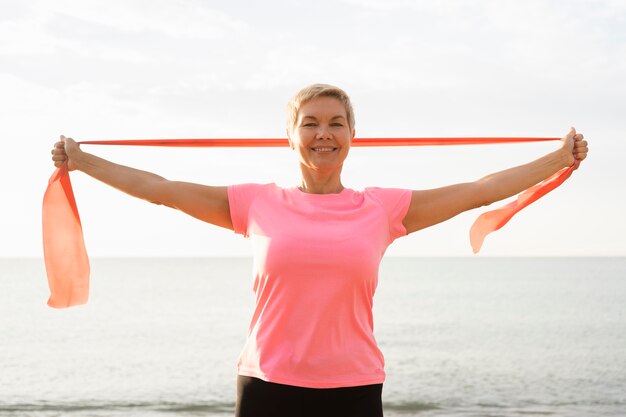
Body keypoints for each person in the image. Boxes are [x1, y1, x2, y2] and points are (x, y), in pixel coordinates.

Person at [51, 84, 588, 417]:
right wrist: (83, 162)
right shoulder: (256, 203)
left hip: (352, 388)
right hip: (266, 385)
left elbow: (477, 189)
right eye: (310, 124)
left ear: (354, 136)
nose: (323, 134)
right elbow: (163, 190)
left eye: (335, 123)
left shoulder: (382, 208)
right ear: (290, 137)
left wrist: (557, 158)